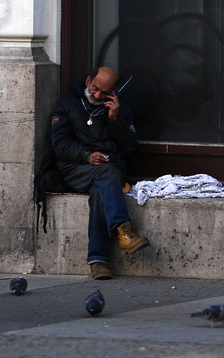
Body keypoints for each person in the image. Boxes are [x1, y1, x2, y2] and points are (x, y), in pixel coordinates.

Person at [51, 67, 150, 280]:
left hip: (108, 171)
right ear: (88, 80)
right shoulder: (67, 105)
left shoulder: (121, 110)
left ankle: (98, 261)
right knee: (106, 174)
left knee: (100, 192)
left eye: (104, 93)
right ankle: (125, 229)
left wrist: (115, 121)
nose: (97, 96)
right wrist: (87, 156)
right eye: (94, 88)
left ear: (114, 92)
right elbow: (60, 144)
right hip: (75, 168)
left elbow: (130, 146)